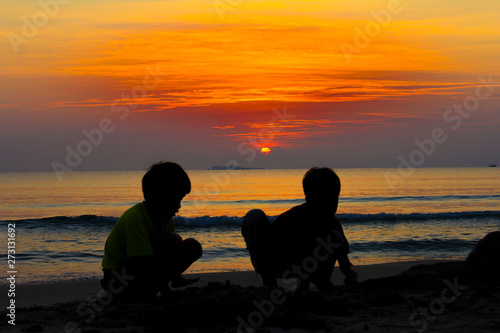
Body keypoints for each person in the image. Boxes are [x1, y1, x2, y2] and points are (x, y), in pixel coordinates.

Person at [241, 167, 358, 291]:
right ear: (308, 197)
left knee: (335, 237)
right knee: (255, 215)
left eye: (334, 198)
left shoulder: (332, 223)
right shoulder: (293, 217)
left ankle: (319, 282)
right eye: (324, 198)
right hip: (281, 264)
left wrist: (351, 276)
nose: (331, 203)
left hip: (311, 269)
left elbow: (345, 263)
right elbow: (273, 245)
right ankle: (269, 281)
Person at [101, 162, 202, 302]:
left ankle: (149, 291)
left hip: (140, 276)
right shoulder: (136, 217)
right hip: (117, 280)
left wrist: (175, 277)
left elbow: (164, 257)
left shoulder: (166, 219)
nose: (179, 206)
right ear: (160, 197)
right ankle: (143, 293)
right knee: (174, 241)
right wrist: (166, 289)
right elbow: (140, 263)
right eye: (176, 199)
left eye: (181, 200)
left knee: (192, 246)